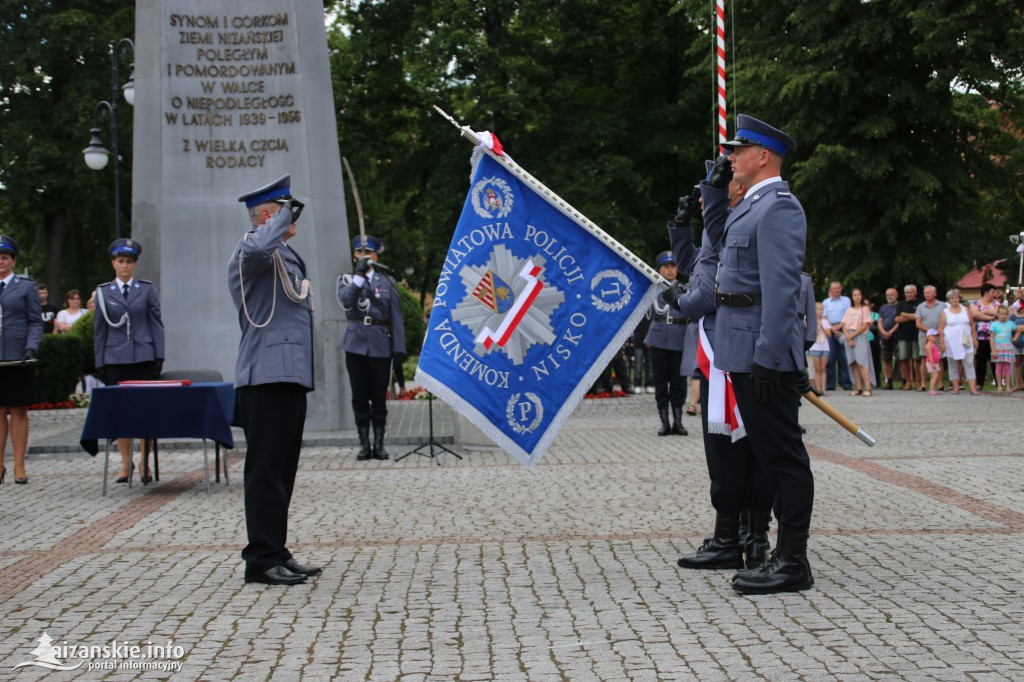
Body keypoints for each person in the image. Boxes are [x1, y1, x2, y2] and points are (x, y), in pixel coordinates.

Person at [708, 114, 815, 594]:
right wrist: (711, 194)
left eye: (737, 150)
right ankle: (782, 556)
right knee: (772, 456)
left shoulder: (779, 208)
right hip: (742, 346)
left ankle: (793, 561)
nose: (730, 158)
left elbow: (781, 289)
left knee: (781, 458)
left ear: (762, 156)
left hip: (762, 352)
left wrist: (770, 356)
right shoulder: (749, 206)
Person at [665, 156, 774, 573]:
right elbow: (695, 265)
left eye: (718, 180)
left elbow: (705, 291)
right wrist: (679, 226)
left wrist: (679, 301)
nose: (706, 189)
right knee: (745, 448)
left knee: (731, 449)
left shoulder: (736, 222)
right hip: (733, 349)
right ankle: (746, 535)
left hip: (726, 353)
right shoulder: (735, 222)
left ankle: (738, 536)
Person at [229, 174, 320, 586]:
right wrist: (282, 216)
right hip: (264, 377)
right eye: (282, 209)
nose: (291, 216)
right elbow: (259, 244)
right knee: (264, 469)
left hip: (287, 375)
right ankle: (260, 559)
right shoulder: (253, 250)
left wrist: (280, 217)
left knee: (282, 470)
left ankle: (276, 549)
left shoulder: (282, 253)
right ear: (267, 216)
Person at [94, 239, 165, 485]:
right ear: (113, 263)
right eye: (120, 261)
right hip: (115, 358)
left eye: (129, 262)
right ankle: (126, 461)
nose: (125, 266)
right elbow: (99, 330)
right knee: (121, 412)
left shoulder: (146, 290)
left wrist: (159, 355)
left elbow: (156, 323)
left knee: (146, 411)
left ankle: (145, 460)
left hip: (143, 356)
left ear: (135, 265)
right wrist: (100, 361)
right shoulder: (104, 292)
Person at [338, 235, 407, 460]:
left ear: (376, 256)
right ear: (354, 255)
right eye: (360, 253)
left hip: (379, 343)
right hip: (356, 343)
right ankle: (363, 444)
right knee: (359, 397)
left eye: (369, 253)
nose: (365, 257)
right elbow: (347, 303)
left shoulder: (386, 282)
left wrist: (399, 348)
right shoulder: (347, 280)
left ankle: (379, 444)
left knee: (379, 397)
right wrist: (358, 277)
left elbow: (396, 316)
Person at [0, 235, 43, 484]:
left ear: (13, 261)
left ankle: (19, 465)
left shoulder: (26, 286)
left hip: (19, 357)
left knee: (18, 410)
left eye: (5, 258)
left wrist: (31, 348)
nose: (1, 262)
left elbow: (35, 322)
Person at [644, 251, 688, 436]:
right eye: (666, 267)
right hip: (659, 337)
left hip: (679, 336)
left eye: (673, 266)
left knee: (679, 382)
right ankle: (664, 422)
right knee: (661, 382)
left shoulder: (686, 289)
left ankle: (678, 421)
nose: (670, 270)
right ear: (659, 269)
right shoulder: (652, 290)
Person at [938, 288, 979, 395]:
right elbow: (941, 328)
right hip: (951, 342)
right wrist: (942, 343)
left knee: (969, 363)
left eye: (956, 297)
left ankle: (973, 388)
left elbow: (972, 324)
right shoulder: (945, 312)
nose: (954, 300)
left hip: (966, 340)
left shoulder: (965, 309)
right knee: (952, 364)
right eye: (952, 298)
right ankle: (955, 387)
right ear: (949, 300)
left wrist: (975, 339)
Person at [842, 288, 874, 396]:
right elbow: (844, 325)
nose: (857, 297)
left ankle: (868, 388)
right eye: (855, 295)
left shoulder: (865, 309)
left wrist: (852, 335)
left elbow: (865, 324)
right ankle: (859, 387)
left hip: (859, 335)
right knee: (854, 363)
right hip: (849, 337)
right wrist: (848, 337)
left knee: (862, 362)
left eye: (859, 294)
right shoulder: (849, 310)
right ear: (852, 297)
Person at [822, 281, 852, 391]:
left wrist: (839, 327)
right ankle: (830, 384)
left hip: (843, 329)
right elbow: (823, 317)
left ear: (841, 289)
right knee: (830, 358)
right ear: (831, 290)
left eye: (838, 288)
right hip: (830, 331)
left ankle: (846, 383)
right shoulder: (826, 302)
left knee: (844, 358)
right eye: (834, 288)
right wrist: (832, 328)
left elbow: (848, 315)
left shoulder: (846, 300)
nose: (836, 290)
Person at [915, 285, 947, 392]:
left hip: (939, 334)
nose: (927, 294)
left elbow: (945, 320)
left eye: (929, 292)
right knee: (924, 358)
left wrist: (937, 331)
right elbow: (918, 323)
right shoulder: (920, 306)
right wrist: (930, 331)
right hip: (924, 335)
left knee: (939, 358)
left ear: (935, 293)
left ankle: (940, 383)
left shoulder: (942, 305)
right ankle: (923, 384)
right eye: (925, 293)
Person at [970, 283, 999, 389]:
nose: (994, 294)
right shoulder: (975, 304)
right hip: (980, 337)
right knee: (981, 360)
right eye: (992, 292)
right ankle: (979, 383)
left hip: (995, 337)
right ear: (986, 293)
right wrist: (991, 317)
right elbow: (974, 314)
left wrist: (985, 311)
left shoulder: (996, 304)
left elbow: (999, 313)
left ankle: (998, 382)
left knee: (995, 360)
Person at [895, 285, 920, 390]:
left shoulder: (920, 304)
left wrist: (905, 314)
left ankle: (918, 382)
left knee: (917, 359)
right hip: (903, 335)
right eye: (907, 293)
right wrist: (912, 317)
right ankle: (907, 382)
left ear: (915, 292)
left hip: (916, 335)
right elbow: (897, 319)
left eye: (911, 292)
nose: (909, 294)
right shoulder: (900, 304)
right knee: (904, 359)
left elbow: (919, 317)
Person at [878, 288, 901, 389]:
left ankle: (904, 381)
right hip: (884, 337)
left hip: (896, 335)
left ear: (896, 295)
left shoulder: (900, 306)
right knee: (886, 360)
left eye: (892, 295)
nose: (890, 297)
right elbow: (880, 321)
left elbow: (899, 322)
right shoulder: (883, 307)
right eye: (888, 295)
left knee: (900, 359)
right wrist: (883, 332)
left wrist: (890, 332)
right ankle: (889, 382)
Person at [990, 305, 1016, 394]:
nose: (1003, 316)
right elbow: (991, 338)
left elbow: (1018, 330)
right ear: (997, 314)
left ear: (1008, 314)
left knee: (1007, 367)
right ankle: (999, 386)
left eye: (1005, 314)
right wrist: (993, 350)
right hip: (998, 348)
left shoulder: (1011, 324)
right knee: (999, 367)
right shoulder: (994, 325)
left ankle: (1008, 386)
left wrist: (1015, 338)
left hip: (1008, 347)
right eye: (1001, 314)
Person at [808, 301, 831, 395]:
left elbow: (829, 334)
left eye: (822, 309)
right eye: (819, 309)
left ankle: (823, 388)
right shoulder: (811, 320)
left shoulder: (825, 321)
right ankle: (818, 388)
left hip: (824, 347)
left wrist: (822, 326)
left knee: (823, 368)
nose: (821, 311)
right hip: (815, 347)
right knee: (817, 368)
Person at [923, 330, 943, 395]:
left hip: (935, 362)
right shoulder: (929, 345)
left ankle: (933, 389)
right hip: (932, 363)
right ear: (928, 337)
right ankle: (931, 390)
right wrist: (932, 363)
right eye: (933, 335)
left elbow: (935, 354)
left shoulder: (933, 345)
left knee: (934, 376)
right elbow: (930, 355)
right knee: (935, 376)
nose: (935, 337)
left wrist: (940, 352)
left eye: (936, 336)